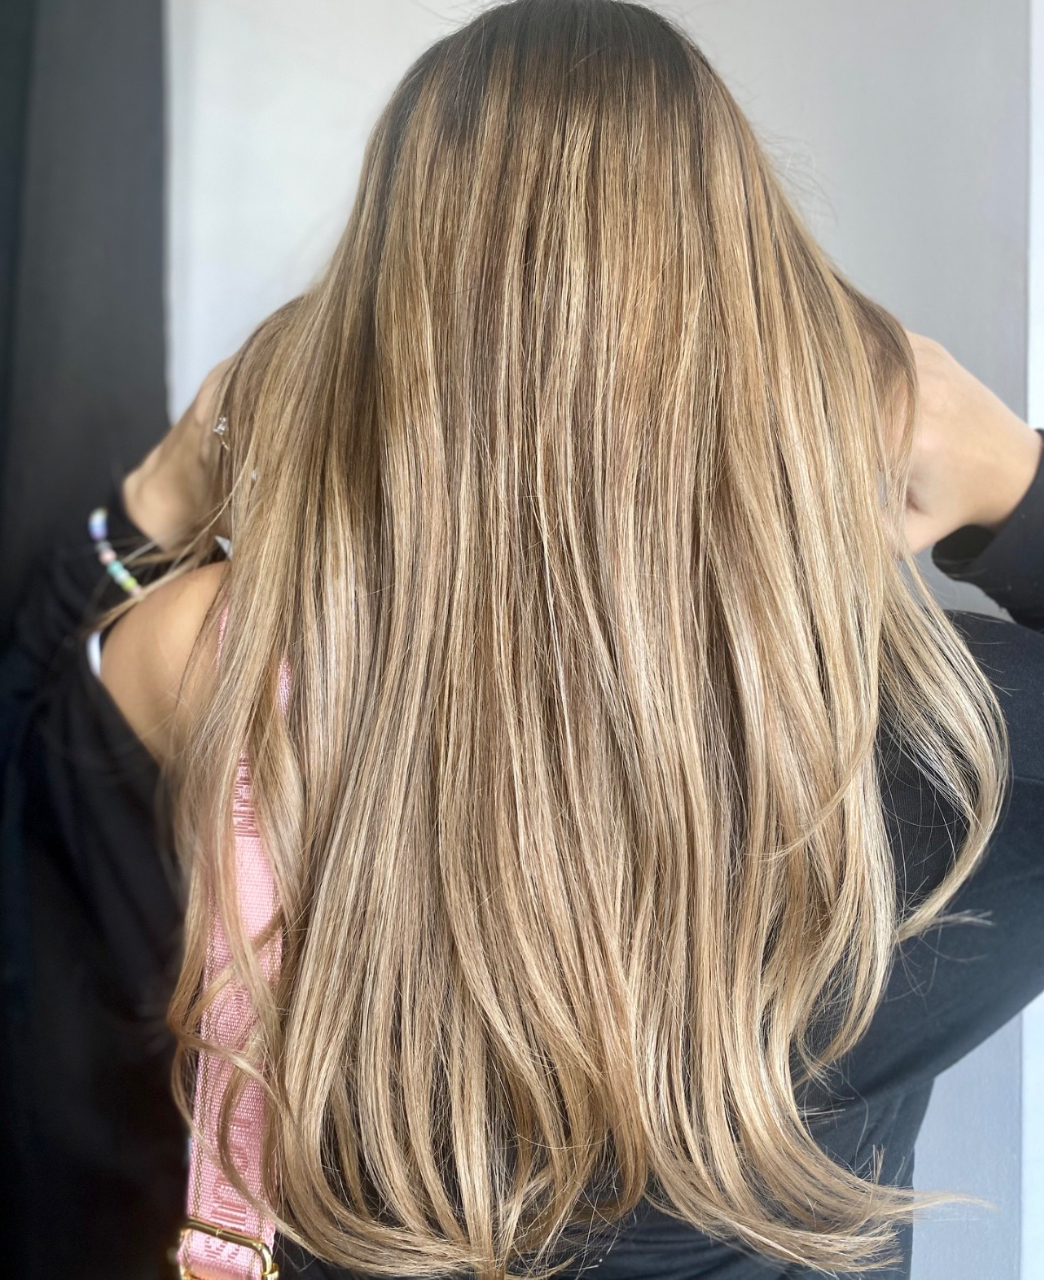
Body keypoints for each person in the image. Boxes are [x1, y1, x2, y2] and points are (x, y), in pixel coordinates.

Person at [1, 1, 1042, 1276]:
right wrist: (1015, 478)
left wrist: (159, 496)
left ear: (382, 323)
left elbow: (37, 772)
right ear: (764, 328)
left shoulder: (210, 663)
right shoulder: (963, 746)